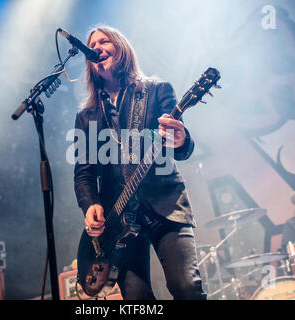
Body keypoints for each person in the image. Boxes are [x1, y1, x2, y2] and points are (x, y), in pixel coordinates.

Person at [73, 25, 206, 300]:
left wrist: (180, 139)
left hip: (165, 206)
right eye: (91, 45)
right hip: (119, 221)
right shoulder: (87, 117)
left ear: (121, 47)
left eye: (104, 41)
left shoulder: (157, 91)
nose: (96, 47)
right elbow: (84, 174)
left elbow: (181, 149)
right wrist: (91, 206)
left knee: (186, 287)